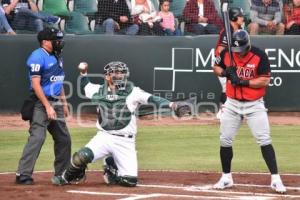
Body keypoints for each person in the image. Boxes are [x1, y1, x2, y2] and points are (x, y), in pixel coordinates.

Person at [51, 61, 189, 186]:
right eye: (116, 72)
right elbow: (85, 85)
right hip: (104, 137)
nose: (119, 75)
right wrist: (83, 72)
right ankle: (66, 177)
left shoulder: (133, 92)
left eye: (122, 72)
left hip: (125, 142)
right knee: (82, 156)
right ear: (107, 76)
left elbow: (152, 99)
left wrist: (172, 104)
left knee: (130, 181)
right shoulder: (97, 90)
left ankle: (111, 166)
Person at [212, 29, 286, 193]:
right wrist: (225, 72)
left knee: (264, 139)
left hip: (254, 104)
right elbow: (215, 67)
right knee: (225, 140)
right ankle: (226, 177)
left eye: (241, 50)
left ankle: (275, 179)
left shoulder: (259, 55)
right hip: (232, 103)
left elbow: (265, 80)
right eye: (236, 50)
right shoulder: (227, 52)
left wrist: (243, 82)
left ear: (248, 44)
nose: (238, 53)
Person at [16, 27, 71, 185]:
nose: (59, 42)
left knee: (64, 138)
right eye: (56, 40)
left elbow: (58, 82)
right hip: (41, 103)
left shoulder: (57, 56)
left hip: (56, 102)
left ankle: (63, 173)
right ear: (45, 42)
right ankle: (23, 173)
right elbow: (36, 84)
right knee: (38, 137)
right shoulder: (37, 56)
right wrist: (47, 106)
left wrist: (64, 103)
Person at [214, 7, 244, 119]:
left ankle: (232, 111)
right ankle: (223, 111)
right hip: (222, 62)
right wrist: (228, 65)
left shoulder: (240, 29)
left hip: (233, 61)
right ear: (233, 17)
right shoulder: (227, 31)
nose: (242, 18)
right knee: (227, 87)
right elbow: (221, 49)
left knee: (235, 86)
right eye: (240, 16)